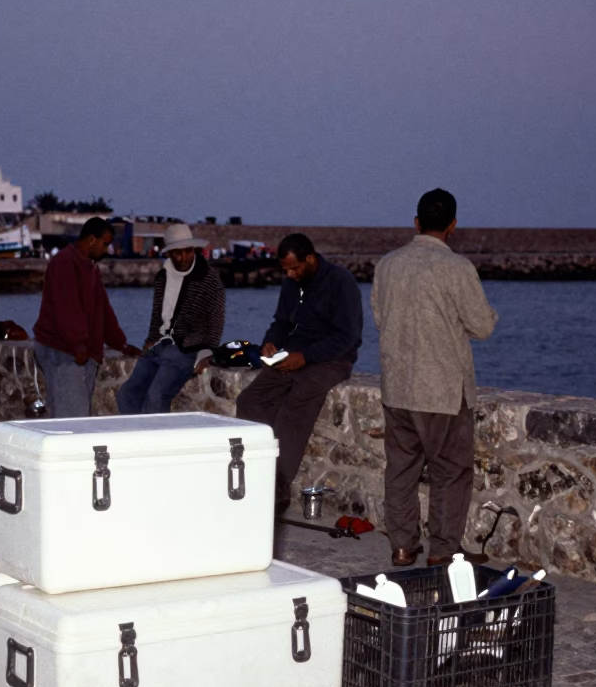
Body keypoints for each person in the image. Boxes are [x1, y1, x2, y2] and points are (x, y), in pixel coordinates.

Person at [372, 188, 498, 567]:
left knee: (401, 470)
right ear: (453, 226)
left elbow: (380, 318)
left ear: (416, 223)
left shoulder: (387, 264)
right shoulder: (457, 268)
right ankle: (443, 550)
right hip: (442, 390)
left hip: (397, 387)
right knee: (450, 471)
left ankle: (403, 545)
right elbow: (481, 326)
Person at [235, 233, 363, 514]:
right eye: (286, 270)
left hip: (332, 359)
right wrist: (271, 342)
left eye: (295, 268)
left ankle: (278, 486)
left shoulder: (341, 282)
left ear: (310, 258)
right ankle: (258, 470)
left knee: (295, 406)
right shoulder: (292, 284)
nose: (291, 275)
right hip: (293, 354)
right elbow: (281, 322)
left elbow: (348, 337)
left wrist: (305, 358)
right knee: (249, 400)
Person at [33, 217, 141, 418]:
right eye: (105, 244)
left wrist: (120, 344)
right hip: (63, 351)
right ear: (92, 239)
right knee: (71, 417)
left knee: (75, 415)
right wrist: (78, 344)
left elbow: (103, 310)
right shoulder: (64, 262)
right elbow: (66, 308)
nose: (107, 250)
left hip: (78, 350)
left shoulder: (89, 267)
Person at [116, 224, 225, 414]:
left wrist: (209, 353)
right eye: (177, 253)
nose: (183, 257)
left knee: (156, 396)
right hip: (160, 345)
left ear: (193, 250)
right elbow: (158, 313)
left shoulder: (208, 279)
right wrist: (150, 340)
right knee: (126, 393)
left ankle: (156, 441)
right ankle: (136, 438)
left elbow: (216, 319)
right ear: (169, 254)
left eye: (187, 252)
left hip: (187, 348)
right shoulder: (163, 277)